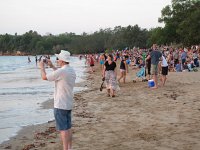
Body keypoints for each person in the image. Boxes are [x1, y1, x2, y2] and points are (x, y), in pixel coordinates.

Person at [39, 50, 76, 150]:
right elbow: (59, 74)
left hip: (60, 104)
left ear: (62, 61)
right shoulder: (70, 70)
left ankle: (65, 149)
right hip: (68, 103)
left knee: (63, 129)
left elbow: (44, 77)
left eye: (58, 59)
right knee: (68, 128)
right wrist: (51, 66)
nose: (57, 60)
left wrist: (42, 67)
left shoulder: (62, 71)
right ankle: (70, 148)